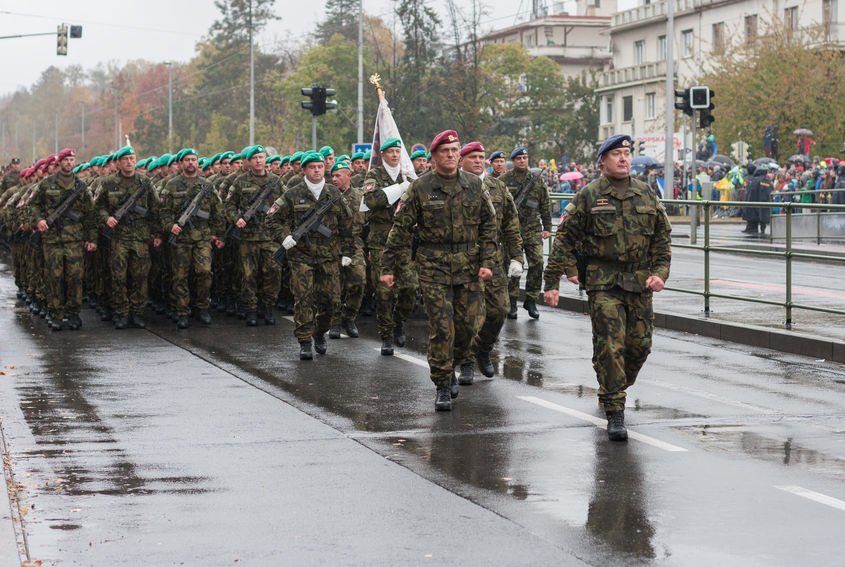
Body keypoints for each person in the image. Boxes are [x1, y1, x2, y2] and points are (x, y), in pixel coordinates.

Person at [543, 134, 672, 441]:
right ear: (602, 162)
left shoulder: (646, 194)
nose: (624, 158)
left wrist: (660, 274)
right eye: (616, 154)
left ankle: (610, 383)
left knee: (640, 347)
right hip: (604, 282)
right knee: (611, 346)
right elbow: (564, 241)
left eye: (626, 153)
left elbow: (662, 239)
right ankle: (615, 411)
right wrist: (551, 283)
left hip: (639, 283)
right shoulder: (589, 195)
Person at [380, 130, 497, 412]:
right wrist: (388, 266)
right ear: (433, 157)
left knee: (469, 327)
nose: (450, 155)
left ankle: (453, 364)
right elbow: (401, 230)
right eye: (444, 151)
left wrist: (487, 261)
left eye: (455, 150)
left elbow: (489, 224)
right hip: (433, 265)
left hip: (468, 265)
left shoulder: (474, 185)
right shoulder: (420, 188)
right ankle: (443, 383)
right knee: (443, 328)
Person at [267, 152, 354, 360]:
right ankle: (305, 341)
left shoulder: (334, 194)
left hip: (328, 256)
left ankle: (319, 331)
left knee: (332, 302)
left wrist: (348, 252)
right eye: (312, 167)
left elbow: (347, 225)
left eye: (320, 166)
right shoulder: (291, 194)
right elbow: (272, 220)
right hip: (301, 257)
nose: (317, 170)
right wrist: (284, 237)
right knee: (303, 299)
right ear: (304, 170)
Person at [459, 141, 524, 382]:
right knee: (467, 315)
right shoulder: (456, 186)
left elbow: (511, 225)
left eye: (481, 156)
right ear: (461, 160)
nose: (477, 160)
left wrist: (517, 257)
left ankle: (483, 349)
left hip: (493, 260)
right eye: (472, 156)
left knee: (499, 310)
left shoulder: (498, 187)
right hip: (463, 261)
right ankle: (465, 361)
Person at [362, 137, 417, 355]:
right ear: (383, 154)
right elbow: (371, 200)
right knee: (384, 291)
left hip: (403, 240)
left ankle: (399, 320)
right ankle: (386, 335)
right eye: (390, 152)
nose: (395, 155)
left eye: (397, 151)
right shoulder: (374, 175)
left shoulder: (408, 175)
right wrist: (399, 188)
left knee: (410, 288)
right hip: (380, 243)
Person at [95, 145, 160, 329]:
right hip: (118, 237)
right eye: (126, 159)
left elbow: (156, 209)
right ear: (119, 162)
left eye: (132, 158)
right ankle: (121, 312)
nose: (130, 162)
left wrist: (155, 233)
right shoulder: (108, 183)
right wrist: (106, 218)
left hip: (140, 237)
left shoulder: (145, 182)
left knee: (140, 276)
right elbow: (97, 207)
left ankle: (137, 312)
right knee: (119, 277)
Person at [160, 148, 225, 329]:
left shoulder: (206, 185)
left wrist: (218, 234)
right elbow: (163, 211)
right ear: (181, 163)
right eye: (187, 160)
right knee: (180, 276)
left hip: (202, 238)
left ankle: (202, 307)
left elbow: (217, 211)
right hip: (181, 239)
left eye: (194, 160)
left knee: (204, 272)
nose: (191, 163)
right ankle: (182, 311)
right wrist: (169, 225)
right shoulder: (172, 185)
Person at [34, 148, 98, 331]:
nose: (69, 163)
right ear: (59, 163)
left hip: (74, 240)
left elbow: (90, 215)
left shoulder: (81, 186)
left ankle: (73, 313)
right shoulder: (47, 184)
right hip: (52, 240)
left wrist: (91, 238)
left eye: (72, 159)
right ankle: (55, 313)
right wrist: (38, 220)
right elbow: (33, 206)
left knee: (75, 278)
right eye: (66, 159)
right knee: (55, 277)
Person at [224, 145, 284, 326]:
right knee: (248, 275)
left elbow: (286, 204)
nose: (259, 160)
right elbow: (229, 205)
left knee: (273, 272)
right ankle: (250, 309)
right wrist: (237, 219)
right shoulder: (240, 181)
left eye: (262, 157)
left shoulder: (276, 181)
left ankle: (267, 307)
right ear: (249, 161)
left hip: (269, 237)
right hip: (248, 238)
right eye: (255, 158)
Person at [501, 147, 552, 319]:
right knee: (514, 268)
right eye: (519, 158)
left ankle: (531, 299)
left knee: (537, 262)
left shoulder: (537, 180)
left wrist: (547, 227)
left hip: (532, 229)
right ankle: (512, 302)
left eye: (525, 157)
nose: (522, 160)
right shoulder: (505, 180)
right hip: (511, 231)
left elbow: (545, 204)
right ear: (513, 161)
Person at [328, 160, 366, 338]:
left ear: (348, 175)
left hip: (355, 244)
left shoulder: (360, 196)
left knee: (359, 280)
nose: (334, 179)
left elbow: (370, 222)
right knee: (335, 286)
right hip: (333, 245)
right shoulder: (327, 195)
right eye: (332, 176)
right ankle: (334, 321)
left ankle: (349, 316)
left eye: (338, 175)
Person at [741, 164, 773, 234]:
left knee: (754, 216)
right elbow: (767, 191)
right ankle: (761, 229)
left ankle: (753, 228)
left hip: (753, 201)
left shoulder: (754, 180)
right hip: (761, 201)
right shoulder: (764, 180)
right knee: (761, 216)